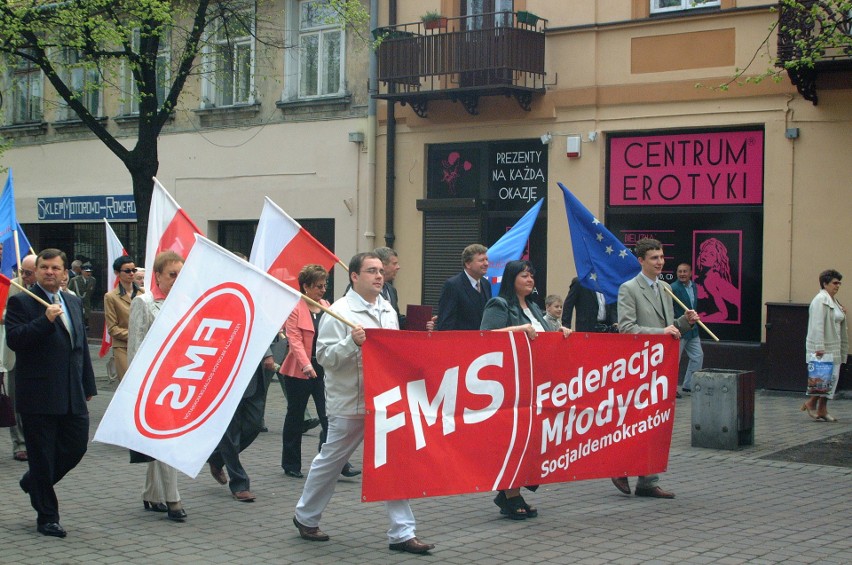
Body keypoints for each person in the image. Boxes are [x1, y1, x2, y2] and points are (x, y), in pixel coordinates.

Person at [293, 252, 435, 555]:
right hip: (349, 401)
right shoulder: (340, 311)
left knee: (394, 461)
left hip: (384, 399)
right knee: (330, 461)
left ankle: (402, 532)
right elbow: (324, 358)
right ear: (354, 276)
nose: (379, 276)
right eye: (371, 271)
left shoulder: (387, 309)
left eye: (381, 271)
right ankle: (305, 516)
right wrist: (351, 343)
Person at [6, 248, 97, 538]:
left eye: (56, 268)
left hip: (72, 392)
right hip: (38, 393)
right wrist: (44, 321)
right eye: (44, 267)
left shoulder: (71, 300)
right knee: (42, 457)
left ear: (64, 272)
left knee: (75, 448)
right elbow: (15, 340)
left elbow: (79, 347)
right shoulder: (22, 301)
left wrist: (88, 385)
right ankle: (47, 517)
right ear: (35, 272)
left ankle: (33, 481)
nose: (50, 272)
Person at [481, 260, 572, 520]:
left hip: (536, 383)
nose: (530, 280)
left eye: (532, 275)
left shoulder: (532, 306)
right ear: (512, 279)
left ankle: (512, 490)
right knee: (515, 438)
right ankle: (510, 494)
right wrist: (518, 329)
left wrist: (559, 332)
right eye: (524, 275)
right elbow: (485, 336)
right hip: (510, 382)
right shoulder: (499, 304)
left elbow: (541, 338)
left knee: (532, 439)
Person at [613, 238, 699, 499]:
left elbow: (670, 327)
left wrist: (684, 322)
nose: (660, 262)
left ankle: (648, 480)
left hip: (660, 366)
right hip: (637, 365)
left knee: (654, 423)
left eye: (661, 257)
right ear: (641, 261)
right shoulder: (628, 289)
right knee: (634, 422)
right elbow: (627, 329)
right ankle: (620, 467)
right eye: (654, 258)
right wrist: (662, 331)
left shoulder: (664, 287)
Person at [280, 265, 360, 479]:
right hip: (299, 370)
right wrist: (306, 365)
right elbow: (294, 340)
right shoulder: (295, 308)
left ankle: (337, 461)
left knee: (328, 415)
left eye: (325, 285)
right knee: (295, 416)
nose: (323, 290)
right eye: (318, 286)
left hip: (323, 367)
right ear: (305, 287)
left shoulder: (327, 306)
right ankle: (291, 463)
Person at [128, 251, 187, 522]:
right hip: (153, 383)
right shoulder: (144, 302)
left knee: (161, 441)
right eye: (171, 274)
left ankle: (151, 493)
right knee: (168, 441)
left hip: (179, 381)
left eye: (180, 274)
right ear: (158, 276)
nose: (176, 279)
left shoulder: (185, 303)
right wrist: (136, 385)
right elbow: (136, 346)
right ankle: (174, 500)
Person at [208, 346, 274, 502]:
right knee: (230, 433)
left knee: (255, 425)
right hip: (226, 371)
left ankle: (217, 458)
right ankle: (239, 483)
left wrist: (267, 353)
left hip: (253, 373)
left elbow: (260, 323)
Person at [3, 253, 37, 464]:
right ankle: (20, 443)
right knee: (17, 402)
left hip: (43, 356)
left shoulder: (55, 292)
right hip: (17, 354)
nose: (24, 276)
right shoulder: (11, 286)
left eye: (29, 273)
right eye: (22, 272)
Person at [802, 269, 847, 422]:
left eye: (839, 283)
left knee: (831, 378)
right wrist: (819, 347)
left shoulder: (832, 300)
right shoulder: (820, 300)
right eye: (835, 283)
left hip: (834, 346)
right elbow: (817, 324)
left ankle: (818, 407)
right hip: (825, 347)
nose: (838, 286)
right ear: (825, 283)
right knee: (823, 378)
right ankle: (816, 406)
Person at [103, 256, 144, 382]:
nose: (131, 273)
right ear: (117, 273)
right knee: (128, 383)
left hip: (142, 346)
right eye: (127, 271)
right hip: (122, 347)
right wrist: (134, 335)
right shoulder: (110, 297)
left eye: (133, 270)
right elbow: (112, 328)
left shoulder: (144, 293)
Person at [436, 244, 490, 330]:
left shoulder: (486, 284)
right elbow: (445, 322)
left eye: (486, 259)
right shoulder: (453, 285)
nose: (486, 263)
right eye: (481, 260)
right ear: (468, 264)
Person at [671, 263, 704, 394]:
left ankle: (689, 385)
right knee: (674, 361)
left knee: (698, 356)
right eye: (680, 271)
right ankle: (671, 389)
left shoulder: (694, 286)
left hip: (693, 329)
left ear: (691, 273)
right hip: (679, 329)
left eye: (685, 271)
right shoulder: (673, 288)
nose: (682, 274)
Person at [695, 237, 740, 323]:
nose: (705, 255)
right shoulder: (701, 277)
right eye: (705, 251)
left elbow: (723, 314)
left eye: (711, 254)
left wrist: (699, 320)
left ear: (716, 262)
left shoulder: (710, 280)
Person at [374, 246, 405, 328]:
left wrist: (421, 322)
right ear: (382, 265)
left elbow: (396, 319)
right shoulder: (360, 289)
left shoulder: (391, 290)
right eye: (394, 264)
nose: (398, 267)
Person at [68, 262, 96, 330]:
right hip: (76, 304)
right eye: (86, 271)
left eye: (90, 272)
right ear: (82, 271)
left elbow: (91, 293)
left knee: (85, 325)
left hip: (86, 305)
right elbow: (68, 292)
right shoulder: (74, 280)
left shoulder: (93, 280)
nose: (88, 273)